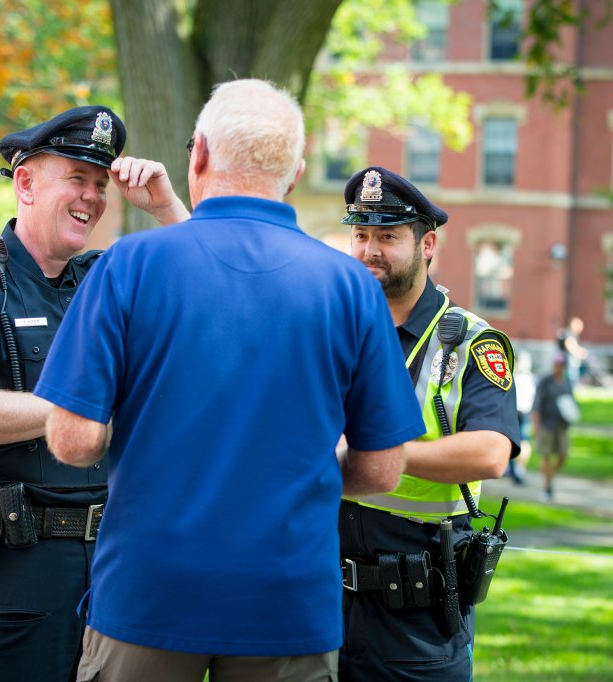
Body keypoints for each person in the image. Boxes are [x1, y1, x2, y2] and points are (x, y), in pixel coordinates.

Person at [37, 79, 422, 682]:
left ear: (198, 155)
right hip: (288, 600)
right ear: (294, 173)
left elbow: (74, 440)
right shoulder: (349, 287)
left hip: (149, 592)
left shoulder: (129, 265)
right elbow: (382, 469)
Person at [0, 105, 188, 682]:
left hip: (116, 564)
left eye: (100, 183)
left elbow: (208, 280)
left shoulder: (105, 280)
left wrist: (164, 205)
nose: (91, 197)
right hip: (12, 569)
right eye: (77, 179)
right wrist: (78, 411)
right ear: (26, 182)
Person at [337, 166, 520, 681]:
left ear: (428, 244)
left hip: (417, 624)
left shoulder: (473, 343)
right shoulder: (338, 328)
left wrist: (376, 458)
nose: (371, 250)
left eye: (388, 237)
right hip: (322, 608)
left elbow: (491, 452)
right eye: (361, 235)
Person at [532, 353, 576, 502]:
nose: (558, 367)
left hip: (561, 425)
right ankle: (547, 487)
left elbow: (570, 402)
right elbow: (537, 405)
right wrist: (535, 426)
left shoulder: (567, 383)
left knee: (563, 454)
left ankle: (549, 476)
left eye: (561, 364)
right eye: (556, 364)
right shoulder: (546, 382)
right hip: (546, 424)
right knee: (546, 455)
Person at [505, 349, 535, 485]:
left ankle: (514, 469)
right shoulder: (530, 379)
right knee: (523, 441)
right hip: (525, 411)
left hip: (516, 411)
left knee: (514, 441)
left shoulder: (516, 377)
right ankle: (518, 469)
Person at [556, 316, 587, 386]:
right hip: (567, 359)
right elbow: (569, 346)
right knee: (571, 377)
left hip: (564, 359)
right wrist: (579, 353)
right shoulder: (569, 333)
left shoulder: (569, 334)